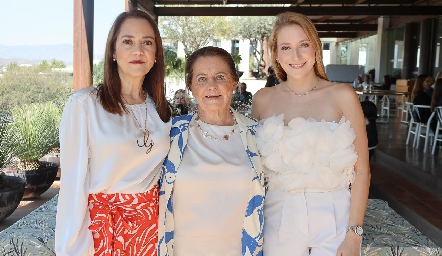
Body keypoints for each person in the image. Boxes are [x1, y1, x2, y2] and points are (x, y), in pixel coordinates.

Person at [252, 12, 370, 255]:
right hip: (278, 217)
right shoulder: (262, 100)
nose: (295, 56)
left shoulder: (343, 95)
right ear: (276, 53)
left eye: (303, 45)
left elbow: (362, 170)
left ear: (316, 48)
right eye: (286, 47)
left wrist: (354, 234)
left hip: (334, 216)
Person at [55, 10, 172, 255]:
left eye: (147, 43)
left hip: (152, 230)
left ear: (156, 55)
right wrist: (72, 248)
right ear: (113, 52)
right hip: (101, 230)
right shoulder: (85, 105)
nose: (138, 50)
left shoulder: (162, 110)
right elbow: (72, 186)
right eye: (127, 41)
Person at [158, 46, 266, 256]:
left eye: (220, 77)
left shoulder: (257, 134)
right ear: (190, 86)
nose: (211, 86)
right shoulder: (171, 133)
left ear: (234, 82)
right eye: (201, 79)